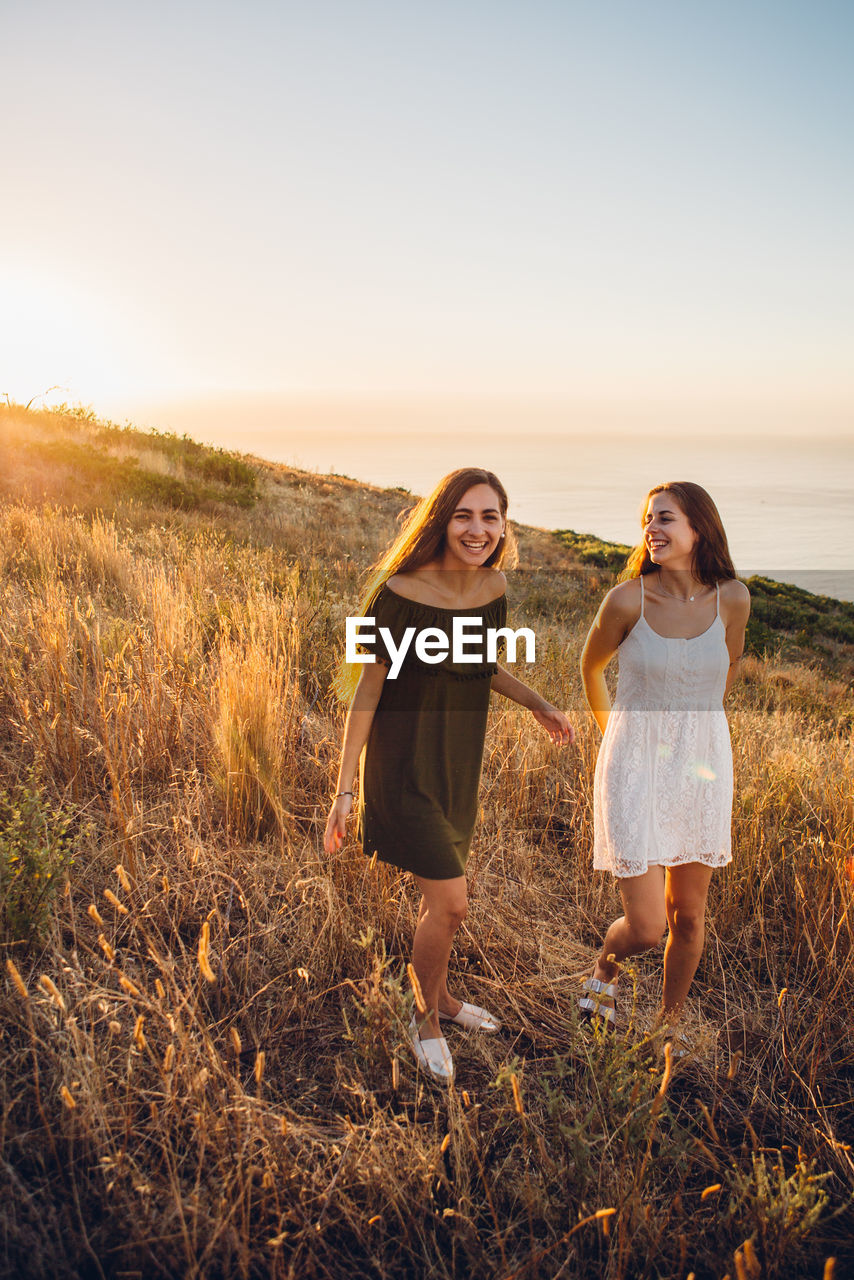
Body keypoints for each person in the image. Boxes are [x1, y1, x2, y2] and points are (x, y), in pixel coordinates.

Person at [324, 468, 574, 1082]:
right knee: (453, 903)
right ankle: (424, 1018)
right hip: (403, 763)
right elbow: (368, 689)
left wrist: (537, 702)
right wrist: (345, 786)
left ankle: (441, 998)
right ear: (441, 518)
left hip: (458, 761)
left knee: (443, 902)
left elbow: (480, 662)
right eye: (465, 514)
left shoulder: (493, 587)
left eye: (491, 517)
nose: (478, 529)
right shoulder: (401, 591)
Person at [579, 481, 750, 1040]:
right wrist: (618, 738)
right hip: (634, 768)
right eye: (648, 519)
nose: (652, 529)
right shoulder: (627, 599)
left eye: (666, 519)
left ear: (699, 527)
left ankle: (665, 1028)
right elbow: (591, 669)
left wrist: (696, 729)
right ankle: (606, 963)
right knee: (649, 927)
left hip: (700, 769)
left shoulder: (734, 598)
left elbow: (729, 667)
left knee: (690, 917)